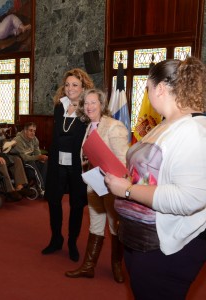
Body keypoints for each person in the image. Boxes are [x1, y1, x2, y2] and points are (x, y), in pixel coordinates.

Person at [104, 57, 206, 299]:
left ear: (160, 88)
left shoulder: (193, 131)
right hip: (142, 241)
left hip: (167, 249)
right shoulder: (166, 124)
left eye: (147, 88)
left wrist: (127, 191)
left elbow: (189, 198)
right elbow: (153, 175)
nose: (147, 94)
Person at [65, 89, 129, 283]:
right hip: (93, 184)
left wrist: (113, 181)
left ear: (101, 104)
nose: (90, 106)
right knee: (95, 224)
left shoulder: (114, 126)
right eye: (86, 103)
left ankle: (117, 266)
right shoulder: (89, 126)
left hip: (111, 186)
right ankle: (88, 266)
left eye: (94, 102)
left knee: (114, 227)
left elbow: (123, 162)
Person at [42, 68, 94, 262]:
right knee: (54, 201)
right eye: (67, 84)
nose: (70, 88)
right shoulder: (59, 106)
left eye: (75, 85)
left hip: (76, 165)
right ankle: (56, 238)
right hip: (57, 163)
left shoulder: (87, 109)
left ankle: (72, 242)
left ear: (83, 87)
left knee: (76, 204)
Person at [12, 122, 48, 196]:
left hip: (31, 160)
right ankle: (42, 190)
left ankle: (45, 186)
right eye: (30, 130)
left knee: (45, 162)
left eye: (34, 131)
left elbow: (37, 153)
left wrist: (41, 158)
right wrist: (38, 157)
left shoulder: (35, 139)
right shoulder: (18, 140)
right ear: (25, 131)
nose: (33, 133)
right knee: (32, 164)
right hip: (20, 163)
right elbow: (24, 158)